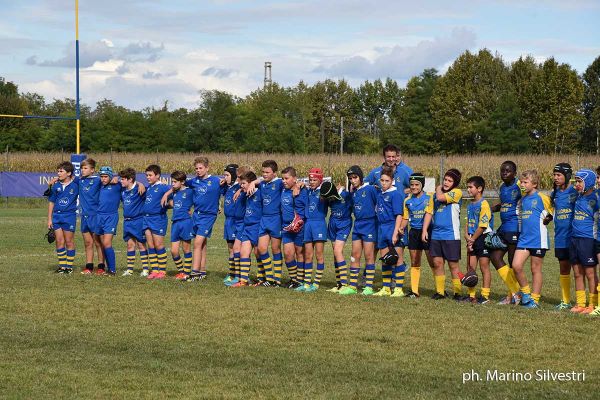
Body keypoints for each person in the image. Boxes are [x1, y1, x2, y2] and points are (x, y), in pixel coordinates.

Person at [163, 157, 221, 281]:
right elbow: (178, 184)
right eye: (196, 168)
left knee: (197, 243)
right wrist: (166, 194)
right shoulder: (193, 181)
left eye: (200, 168)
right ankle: (202, 271)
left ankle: (194, 274)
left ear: (207, 168)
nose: (198, 171)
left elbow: (228, 188)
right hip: (196, 215)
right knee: (203, 245)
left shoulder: (216, 181)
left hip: (209, 216)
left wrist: (219, 205)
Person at [511, 170, 554, 309]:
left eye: (525, 182)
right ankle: (526, 294)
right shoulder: (522, 200)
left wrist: (549, 217)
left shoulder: (542, 197)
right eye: (521, 182)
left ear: (534, 184)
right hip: (524, 239)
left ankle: (534, 300)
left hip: (538, 239)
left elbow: (551, 211)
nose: (522, 184)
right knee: (516, 266)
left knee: (535, 269)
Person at [422, 168, 463, 300]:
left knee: (453, 265)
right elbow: (429, 212)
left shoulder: (456, 192)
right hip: (436, 235)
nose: (446, 182)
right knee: (438, 263)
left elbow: (440, 197)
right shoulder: (434, 196)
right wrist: (424, 230)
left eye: (449, 181)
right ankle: (440, 292)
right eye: (445, 179)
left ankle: (457, 293)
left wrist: (438, 188)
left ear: (455, 183)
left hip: (451, 235)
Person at [339, 165, 379, 296]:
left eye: (355, 177)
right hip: (358, 225)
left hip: (370, 224)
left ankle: (368, 287)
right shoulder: (353, 192)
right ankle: (352, 286)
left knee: (369, 256)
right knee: (355, 255)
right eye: (350, 178)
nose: (353, 180)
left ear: (361, 177)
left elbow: (379, 203)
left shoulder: (371, 189)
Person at [245, 160, 284, 286]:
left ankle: (277, 280)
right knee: (261, 249)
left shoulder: (279, 183)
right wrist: (253, 183)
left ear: (274, 173)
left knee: (275, 249)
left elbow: (292, 182)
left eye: (267, 172)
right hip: (264, 219)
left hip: (276, 219)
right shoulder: (262, 184)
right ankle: (269, 278)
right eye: (263, 172)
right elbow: (257, 181)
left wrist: (299, 184)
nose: (265, 174)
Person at [490, 161, 522, 305]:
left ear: (515, 173)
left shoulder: (520, 185)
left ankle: (512, 296)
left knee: (512, 262)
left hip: (514, 227)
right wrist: (493, 208)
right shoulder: (503, 187)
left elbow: (531, 197)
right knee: (495, 257)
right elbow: (505, 204)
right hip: (503, 227)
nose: (504, 173)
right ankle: (515, 292)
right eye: (502, 171)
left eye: (507, 171)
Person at [399, 173, 433, 298]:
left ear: (422, 185)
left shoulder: (429, 198)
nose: (414, 187)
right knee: (414, 261)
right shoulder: (407, 200)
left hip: (428, 232)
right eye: (412, 185)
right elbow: (405, 217)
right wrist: (401, 227)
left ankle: (440, 291)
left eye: (416, 184)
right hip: (414, 233)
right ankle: (414, 291)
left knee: (432, 262)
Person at [570, 170, 599, 314]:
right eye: (576, 181)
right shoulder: (578, 197)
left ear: (588, 182)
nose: (577, 184)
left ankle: (593, 304)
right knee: (577, 273)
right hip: (574, 239)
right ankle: (580, 303)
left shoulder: (596, 198)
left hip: (588, 240)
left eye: (579, 181)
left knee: (590, 273)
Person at [373, 167, 405, 297]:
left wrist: (395, 233)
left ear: (392, 181)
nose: (384, 183)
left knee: (398, 259)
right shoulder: (380, 193)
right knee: (385, 259)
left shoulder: (396, 194)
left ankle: (398, 289)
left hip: (393, 226)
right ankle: (386, 288)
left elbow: (399, 215)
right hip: (382, 228)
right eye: (382, 180)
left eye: (386, 180)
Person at [550, 163, 577, 310]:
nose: (555, 178)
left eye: (558, 175)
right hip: (560, 238)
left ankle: (584, 302)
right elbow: (550, 209)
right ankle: (565, 301)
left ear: (567, 176)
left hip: (574, 237)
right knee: (564, 268)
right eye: (554, 175)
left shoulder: (575, 192)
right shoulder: (555, 193)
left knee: (579, 270)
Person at [296, 168, 328, 292]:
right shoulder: (308, 191)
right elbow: (298, 185)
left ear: (320, 180)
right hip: (308, 224)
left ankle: (316, 283)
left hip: (319, 224)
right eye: (310, 180)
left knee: (319, 255)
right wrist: (300, 184)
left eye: (315, 180)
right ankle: (307, 283)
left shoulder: (323, 192)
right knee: (308, 255)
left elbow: (330, 192)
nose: (312, 182)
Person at [46, 161, 79, 274]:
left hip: (69, 216)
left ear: (69, 173)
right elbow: (51, 202)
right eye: (58, 171)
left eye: (61, 171)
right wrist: (49, 219)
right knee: (59, 241)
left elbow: (85, 179)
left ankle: (69, 267)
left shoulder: (76, 185)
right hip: (57, 216)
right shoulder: (56, 186)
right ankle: (62, 267)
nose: (58, 173)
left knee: (69, 241)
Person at [465, 176, 493, 304]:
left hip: (481, 238)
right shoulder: (470, 204)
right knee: (471, 268)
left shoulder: (484, 204)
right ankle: (471, 296)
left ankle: (485, 296)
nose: (468, 189)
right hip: (472, 238)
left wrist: (473, 240)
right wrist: (467, 236)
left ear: (479, 189)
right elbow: (467, 222)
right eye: (468, 187)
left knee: (484, 267)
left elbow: (482, 225)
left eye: (470, 187)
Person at [233, 170, 263, 287]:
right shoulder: (245, 194)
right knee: (243, 253)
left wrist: (254, 183)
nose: (241, 185)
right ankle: (243, 281)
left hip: (257, 227)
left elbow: (262, 180)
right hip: (247, 227)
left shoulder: (260, 192)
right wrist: (241, 189)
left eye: (244, 183)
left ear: (251, 183)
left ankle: (262, 278)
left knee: (258, 253)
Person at [321, 180, 352, 293]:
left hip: (344, 224)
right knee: (335, 254)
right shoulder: (327, 195)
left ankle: (344, 284)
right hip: (333, 223)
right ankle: (339, 284)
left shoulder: (346, 195)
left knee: (338, 252)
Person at [280, 166, 307, 289]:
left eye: (286, 178)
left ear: (294, 178)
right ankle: (293, 279)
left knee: (299, 252)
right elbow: (263, 180)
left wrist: (299, 184)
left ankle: (300, 280)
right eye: (282, 178)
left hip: (299, 227)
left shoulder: (302, 190)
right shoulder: (281, 188)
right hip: (286, 227)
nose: (284, 181)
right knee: (288, 253)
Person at [119, 168, 149, 276]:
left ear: (130, 179)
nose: (121, 181)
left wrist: (140, 184)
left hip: (138, 221)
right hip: (127, 222)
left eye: (123, 179)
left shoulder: (139, 189)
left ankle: (145, 269)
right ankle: (130, 270)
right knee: (130, 245)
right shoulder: (122, 190)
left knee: (141, 244)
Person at [78, 159, 106, 274]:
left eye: (85, 168)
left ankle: (101, 266)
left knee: (98, 242)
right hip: (84, 216)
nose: (82, 170)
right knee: (87, 243)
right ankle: (89, 267)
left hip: (95, 216)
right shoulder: (79, 181)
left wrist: (139, 184)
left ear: (92, 170)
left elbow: (112, 180)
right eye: (81, 168)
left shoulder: (98, 180)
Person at [143, 165, 170, 279]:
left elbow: (174, 191)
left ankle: (162, 271)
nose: (148, 177)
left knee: (159, 245)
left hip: (158, 219)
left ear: (157, 175)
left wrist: (167, 196)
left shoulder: (163, 187)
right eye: (146, 175)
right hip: (146, 219)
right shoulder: (148, 187)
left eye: (150, 175)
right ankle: (154, 270)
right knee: (151, 245)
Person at [95, 166, 122, 275]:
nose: (103, 179)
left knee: (107, 243)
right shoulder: (99, 186)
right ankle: (106, 267)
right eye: (101, 176)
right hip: (99, 216)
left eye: (106, 176)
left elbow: (131, 182)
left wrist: (140, 184)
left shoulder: (117, 185)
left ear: (110, 176)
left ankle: (112, 270)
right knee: (102, 243)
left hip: (111, 216)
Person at [168, 171, 195, 280]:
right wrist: (170, 203)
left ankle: (187, 273)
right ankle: (181, 271)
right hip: (175, 223)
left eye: (175, 182)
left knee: (186, 249)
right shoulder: (174, 192)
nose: (173, 184)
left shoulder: (190, 192)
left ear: (182, 182)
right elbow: (170, 201)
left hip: (186, 222)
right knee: (174, 251)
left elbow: (200, 201)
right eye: (172, 182)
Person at [221, 164, 241, 286]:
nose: (225, 177)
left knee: (236, 248)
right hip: (227, 221)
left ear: (234, 176)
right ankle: (232, 273)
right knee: (230, 249)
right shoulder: (227, 187)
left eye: (227, 175)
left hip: (236, 221)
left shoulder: (240, 186)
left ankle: (239, 274)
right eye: (224, 175)